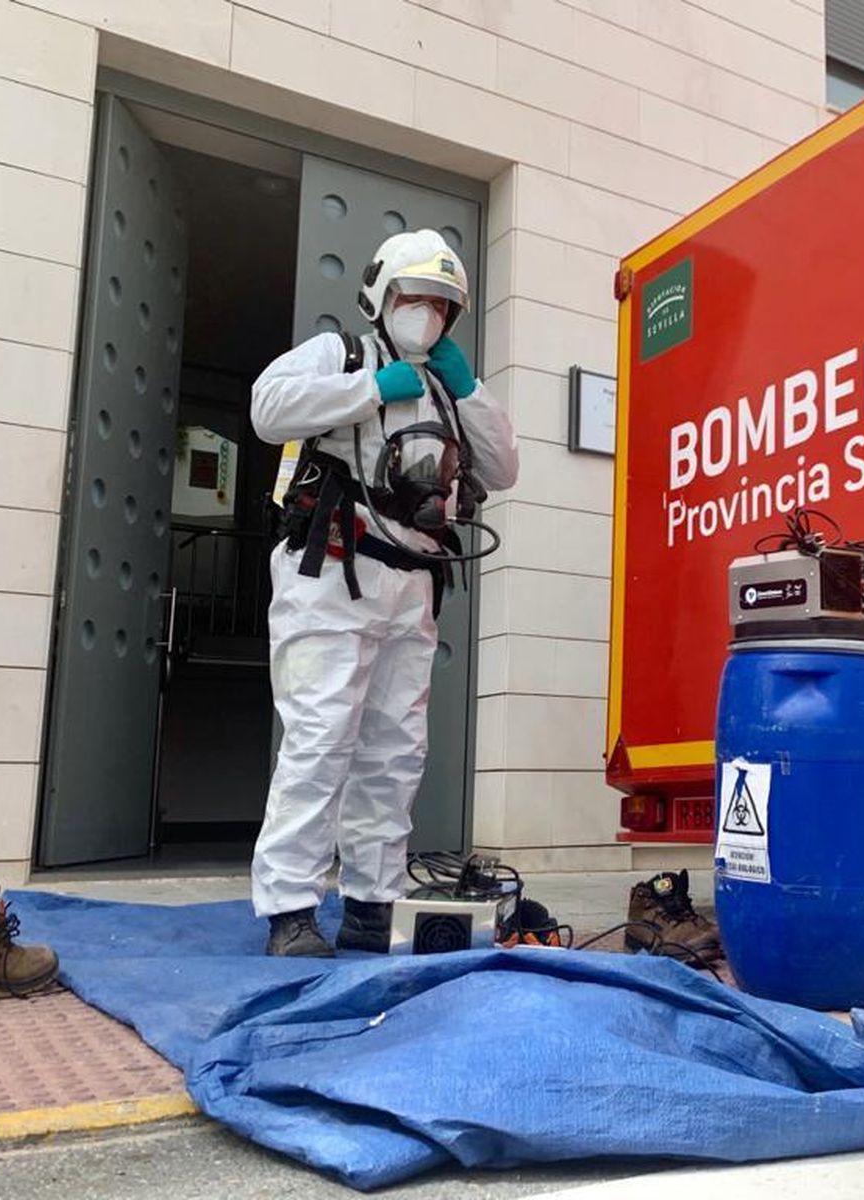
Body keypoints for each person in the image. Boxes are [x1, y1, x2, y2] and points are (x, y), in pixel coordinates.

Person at [250, 229, 517, 957]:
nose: (428, 314)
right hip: (333, 573)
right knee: (321, 739)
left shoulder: (447, 389)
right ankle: (290, 908)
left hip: (412, 584)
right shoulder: (341, 355)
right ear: (383, 295)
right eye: (416, 297)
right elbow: (268, 408)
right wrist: (369, 390)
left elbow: (504, 467)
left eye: (442, 304)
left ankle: (373, 901)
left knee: (395, 749)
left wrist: (469, 389)